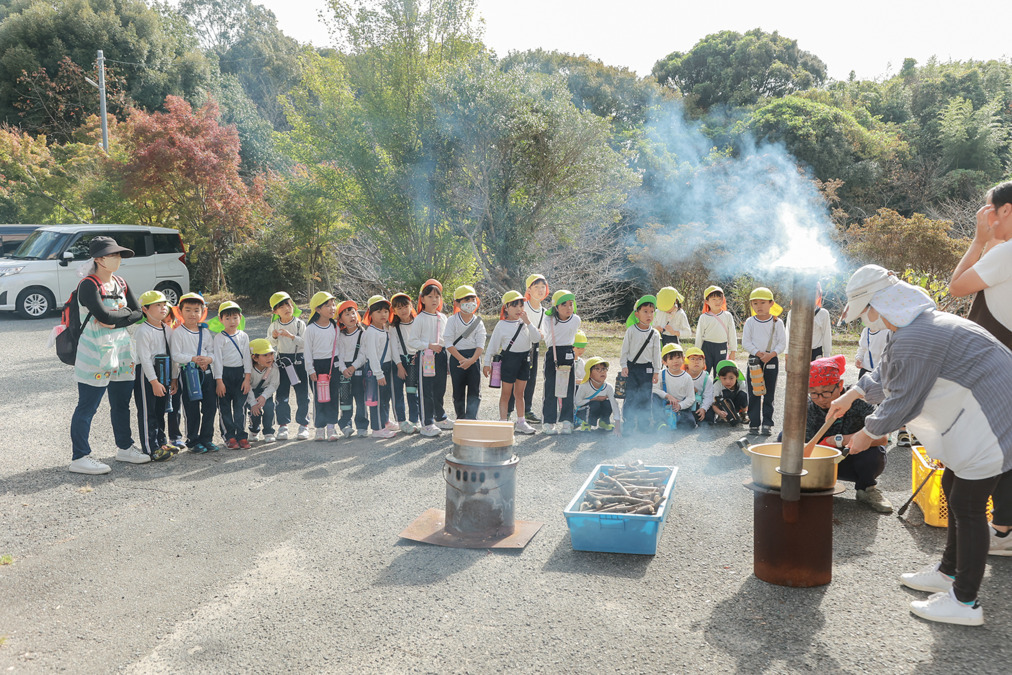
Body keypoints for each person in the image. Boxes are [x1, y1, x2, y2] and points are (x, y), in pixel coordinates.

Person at [829, 264, 1012, 626]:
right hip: (989, 412)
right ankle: (948, 573)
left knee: (968, 504)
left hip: (993, 418)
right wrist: (853, 392)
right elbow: (887, 371)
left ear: (879, 305)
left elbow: (903, 400)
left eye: (866, 311)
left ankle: (964, 603)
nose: (867, 319)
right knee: (951, 485)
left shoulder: (916, 336)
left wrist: (865, 435)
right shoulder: (914, 326)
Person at [948, 180, 1012, 558]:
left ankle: (958, 568)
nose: (983, 215)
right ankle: (1003, 529)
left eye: (988, 207)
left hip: (998, 367)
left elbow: (957, 286)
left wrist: (978, 240)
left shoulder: (1004, 254)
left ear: (1005, 211)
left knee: (991, 447)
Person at [68, 236, 146, 474]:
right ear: (99, 259)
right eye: (113, 255)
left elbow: (139, 313)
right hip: (95, 353)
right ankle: (80, 456)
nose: (117, 259)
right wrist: (120, 316)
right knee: (88, 406)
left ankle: (124, 447)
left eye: (118, 255)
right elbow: (104, 317)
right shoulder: (88, 285)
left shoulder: (121, 282)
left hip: (122, 350)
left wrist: (116, 319)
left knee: (121, 403)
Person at [803, 355, 891, 513]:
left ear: (840, 385)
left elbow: (883, 438)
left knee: (873, 453)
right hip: (822, 463)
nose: (820, 399)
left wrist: (837, 440)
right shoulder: (809, 407)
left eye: (826, 392)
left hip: (851, 460)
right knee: (785, 438)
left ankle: (866, 489)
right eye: (813, 393)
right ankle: (806, 484)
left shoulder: (860, 401)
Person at [483, 290, 539, 435]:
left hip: (524, 360)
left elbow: (537, 338)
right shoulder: (501, 325)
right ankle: (503, 422)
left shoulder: (526, 323)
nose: (519, 309)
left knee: (520, 393)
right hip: (509, 360)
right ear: (506, 308)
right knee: (506, 393)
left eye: (521, 305)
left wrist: (529, 323)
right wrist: (486, 363)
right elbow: (493, 346)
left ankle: (521, 422)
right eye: (514, 306)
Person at [170, 292, 219, 453]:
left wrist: (208, 360)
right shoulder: (178, 332)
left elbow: (212, 352)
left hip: (206, 373)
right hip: (188, 372)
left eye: (196, 310)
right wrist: (194, 358)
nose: (192, 314)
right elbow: (176, 355)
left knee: (210, 406)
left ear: (202, 312)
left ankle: (207, 439)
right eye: (188, 310)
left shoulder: (204, 332)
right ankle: (192, 440)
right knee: (191, 408)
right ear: (180, 312)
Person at [132, 290, 175, 462]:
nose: (163, 308)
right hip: (147, 374)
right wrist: (154, 382)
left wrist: (173, 378)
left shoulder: (167, 329)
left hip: (163, 372)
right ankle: (151, 448)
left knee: (160, 410)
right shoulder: (143, 331)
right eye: (157, 305)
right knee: (147, 410)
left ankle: (162, 442)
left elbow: (172, 355)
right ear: (145, 309)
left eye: (164, 304)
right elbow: (144, 358)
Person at [742, 287, 786, 436]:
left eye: (762, 302)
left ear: (771, 303)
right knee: (754, 391)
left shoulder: (777, 322)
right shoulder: (750, 321)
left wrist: (771, 354)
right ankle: (754, 423)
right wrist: (759, 353)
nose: (758, 306)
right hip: (755, 359)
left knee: (769, 393)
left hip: (771, 359)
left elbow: (782, 343)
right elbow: (746, 342)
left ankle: (767, 423)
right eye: (755, 303)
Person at [409, 280, 451, 436]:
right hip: (426, 357)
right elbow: (412, 341)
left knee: (440, 388)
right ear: (422, 299)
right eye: (430, 296)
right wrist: (429, 345)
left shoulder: (443, 317)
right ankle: (427, 423)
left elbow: (447, 338)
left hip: (440, 356)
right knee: (426, 389)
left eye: (437, 296)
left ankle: (440, 417)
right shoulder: (419, 318)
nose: (434, 300)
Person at [267, 291, 310, 441]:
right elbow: (269, 345)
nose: (287, 308)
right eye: (281, 306)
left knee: (303, 394)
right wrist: (274, 336)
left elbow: (306, 343)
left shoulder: (299, 324)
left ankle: (303, 425)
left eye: (288, 304)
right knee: (282, 395)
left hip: (299, 361)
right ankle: (283, 425)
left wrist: (291, 336)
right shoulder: (274, 325)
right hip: (282, 361)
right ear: (275, 311)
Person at [508, 274, 549, 423]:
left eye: (542, 287)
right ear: (529, 289)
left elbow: (545, 333)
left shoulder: (545, 312)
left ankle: (527, 410)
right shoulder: (523, 307)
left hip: (534, 348)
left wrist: (541, 334)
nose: (540, 290)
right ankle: (508, 410)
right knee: (513, 379)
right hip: (519, 347)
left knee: (530, 379)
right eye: (536, 287)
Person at [212, 301, 252, 450]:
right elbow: (217, 360)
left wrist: (247, 379)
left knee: (240, 407)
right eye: (227, 318)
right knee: (224, 408)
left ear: (240, 318)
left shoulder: (243, 336)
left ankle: (242, 435)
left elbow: (247, 358)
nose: (232, 322)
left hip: (240, 375)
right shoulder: (219, 338)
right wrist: (219, 381)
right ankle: (229, 436)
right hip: (224, 375)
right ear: (221, 319)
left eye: (235, 318)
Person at [443, 285, 486, 421]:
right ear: (457, 303)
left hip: (474, 358)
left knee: (475, 391)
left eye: (472, 299)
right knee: (458, 391)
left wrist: (471, 360)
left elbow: (480, 344)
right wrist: (462, 360)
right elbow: (448, 343)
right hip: (457, 358)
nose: (470, 303)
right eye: (466, 300)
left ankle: (472, 418)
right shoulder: (452, 320)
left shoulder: (478, 321)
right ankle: (461, 418)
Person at [620, 295, 662, 434]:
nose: (649, 315)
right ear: (637, 314)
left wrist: (657, 371)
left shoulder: (654, 333)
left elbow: (657, 353)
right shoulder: (631, 330)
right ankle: (629, 423)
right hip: (632, 367)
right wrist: (624, 366)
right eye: (645, 311)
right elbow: (624, 349)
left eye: (652, 311)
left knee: (645, 395)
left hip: (647, 368)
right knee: (630, 395)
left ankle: (644, 423)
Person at [542, 289, 581, 435]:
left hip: (569, 353)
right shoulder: (548, 320)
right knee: (550, 387)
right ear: (556, 307)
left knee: (569, 388)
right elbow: (547, 338)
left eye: (571, 304)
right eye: (563, 305)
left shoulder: (576, 319)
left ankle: (567, 421)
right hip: (553, 353)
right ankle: (548, 422)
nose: (568, 308)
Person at [304, 292, 341, 442]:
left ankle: (332, 427)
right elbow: (307, 351)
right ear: (317, 309)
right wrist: (310, 370)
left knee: (333, 396)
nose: (333, 308)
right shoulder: (311, 329)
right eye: (328, 305)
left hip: (333, 365)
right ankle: (319, 428)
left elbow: (338, 348)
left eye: (333, 304)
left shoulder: (335, 327)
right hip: (316, 366)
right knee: (319, 398)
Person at [363, 295, 398, 439]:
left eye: (385, 311)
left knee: (385, 397)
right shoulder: (371, 332)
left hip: (387, 366)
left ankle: (385, 421)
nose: (383, 314)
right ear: (370, 314)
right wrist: (379, 374)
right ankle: (377, 428)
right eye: (378, 312)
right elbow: (372, 355)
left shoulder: (385, 329)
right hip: (376, 369)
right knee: (376, 399)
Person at [389, 292, 420, 434]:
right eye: (398, 308)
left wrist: (418, 354)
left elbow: (423, 340)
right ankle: (401, 420)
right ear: (394, 311)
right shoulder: (393, 327)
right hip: (399, 361)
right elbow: (394, 348)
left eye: (405, 306)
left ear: (411, 306)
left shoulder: (418, 322)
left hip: (415, 360)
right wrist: (399, 366)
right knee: (397, 392)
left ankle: (415, 419)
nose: (403, 311)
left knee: (412, 392)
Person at [336, 300, 368, 437]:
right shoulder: (341, 336)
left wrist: (353, 367)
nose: (351, 316)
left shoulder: (363, 334)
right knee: (345, 399)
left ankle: (362, 425)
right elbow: (339, 354)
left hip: (358, 369)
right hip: (344, 372)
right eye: (347, 314)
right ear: (341, 320)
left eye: (353, 313)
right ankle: (345, 424)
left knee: (361, 399)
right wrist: (343, 369)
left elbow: (363, 354)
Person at [784, 283, 833, 363]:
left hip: (816, 353)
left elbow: (826, 335)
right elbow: (789, 333)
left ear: (819, 293)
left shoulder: (823, 313)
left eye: (814, 291)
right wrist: (787, 353)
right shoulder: (793, 312)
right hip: (798, 352)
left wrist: (827, 355)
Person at [695, 285, 737, 376]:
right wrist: (697, 352)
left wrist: (733, 351)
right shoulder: (704, 317)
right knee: (704, 372)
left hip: (721, 347)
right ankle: (704, 390)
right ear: (707, 301)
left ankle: (718, 390)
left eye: (720, 299)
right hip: (707, 347)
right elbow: (699, 336)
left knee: (720, 372)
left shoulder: (727, 315)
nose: (717, 302)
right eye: (714, 299)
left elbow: (732, 334)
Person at [651, 344, 694, 429]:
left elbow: (691, 398)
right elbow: (654, 389)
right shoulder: (661, 374)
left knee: (690, 424)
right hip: (664, 405)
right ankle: (660, 422)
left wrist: (680, 405)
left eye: (678, 357)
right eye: (671, 359)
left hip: (679, 406)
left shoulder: (687, 377)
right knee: (653, 397)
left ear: (683, 358)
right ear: (664, 362)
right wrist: (667, 396)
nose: (675, 361)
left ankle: (672, 421)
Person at [575, 357, 621, 432]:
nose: (602, 372)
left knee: (608, 403)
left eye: (604, 369)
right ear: (589, 373)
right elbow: (577, 402)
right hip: (584, 410)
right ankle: (586, 423)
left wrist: (618, 425)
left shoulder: (608, 387)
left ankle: (604, 421)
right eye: (598, 369)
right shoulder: (584, 386)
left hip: (596, 408)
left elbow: (614, 404)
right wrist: (594, 399)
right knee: (595, 404)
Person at [247, 339, 280, 443]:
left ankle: (268, 432)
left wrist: (264, 396)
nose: (270, 357)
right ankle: (254, 430)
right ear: (255, 357)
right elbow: (247, 386)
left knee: (269, 408)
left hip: (265, 393)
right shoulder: (249, 369)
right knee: (254, 411)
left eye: (271, 354)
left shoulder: (273, 367)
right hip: (251, 394)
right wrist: (253, 403)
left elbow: (274, 384)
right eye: (265, 355)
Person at [711, 360, 748, 426]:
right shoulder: (717, 385)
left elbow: (748, 399)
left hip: (737, 404)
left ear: (736, 377)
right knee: (724, 393)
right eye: (724, 378)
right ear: (719, 377)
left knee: (743, 394)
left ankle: (743, 414)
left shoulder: (741, 383)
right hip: (724, 407)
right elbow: (713, 403)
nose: (728, 381)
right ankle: (722, 416)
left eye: (731, 378)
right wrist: (719, 412)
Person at [683, 347, 713, 426]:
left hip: (700, 403)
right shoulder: (682, 376)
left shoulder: (706, 378)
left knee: (710, 418)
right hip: (685, 404)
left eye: (700, 359)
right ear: (686, 363)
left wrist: (703, 408)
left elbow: (708, 396)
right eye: (692, 359)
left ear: (704, 363)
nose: (696, 362)